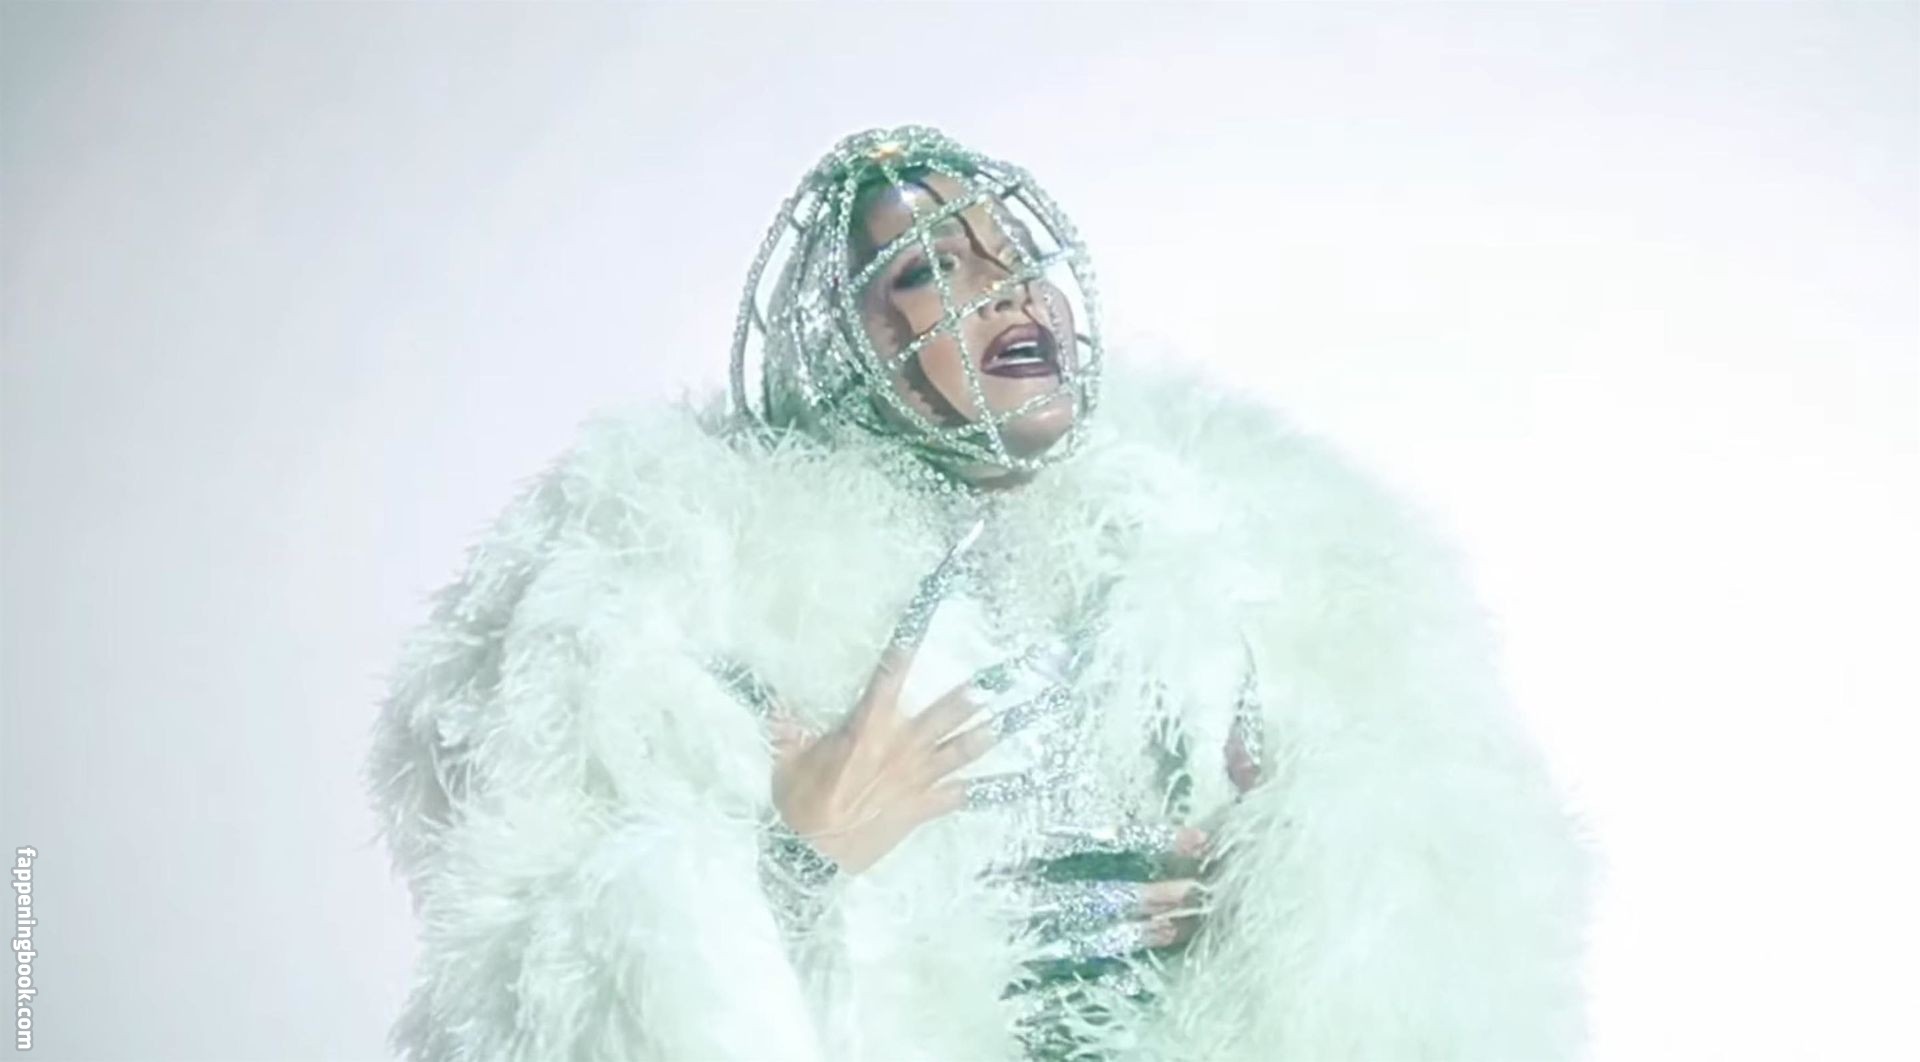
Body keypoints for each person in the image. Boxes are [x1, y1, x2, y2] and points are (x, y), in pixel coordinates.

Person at [364, 124, 1595, 1061]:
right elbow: (537, 971)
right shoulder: (698, 585)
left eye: (1014, 255)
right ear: (841, 339)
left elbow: (1431, 893)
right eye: (930, 268)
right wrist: (797, 864)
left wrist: (1275, 880)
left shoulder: (1242, 549)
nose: (1007, 288)